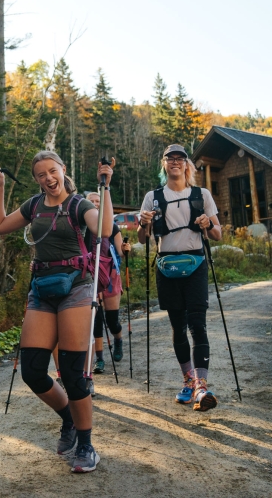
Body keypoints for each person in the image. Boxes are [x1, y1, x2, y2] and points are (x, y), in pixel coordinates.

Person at [0, 152, 114, 473]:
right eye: (41, 174)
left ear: (63, 170)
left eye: (52, 171)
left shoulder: (78, 205)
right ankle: (68, 419)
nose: (48, 178)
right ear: (36, 180)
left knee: (73, 374)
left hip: (76, 287)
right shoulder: (34, 206)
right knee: (32, 370)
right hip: (42, 289)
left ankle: (86, 445)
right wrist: (0, 188)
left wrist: (105, 187)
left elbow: (103, 229)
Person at [136, 144, 223, 411]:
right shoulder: (152, 197)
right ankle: (189, 381)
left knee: (197, 325)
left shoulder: (201, 194)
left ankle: (201, 387)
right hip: (167, 267)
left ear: (187, 165)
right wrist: (143, 222)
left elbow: (218, 234)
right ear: (164, 164)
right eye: (170, 158)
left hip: (195, 263)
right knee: (178, 327)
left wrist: (209, 223)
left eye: (180, 159)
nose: (175, 162)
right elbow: (142, 239)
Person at [84, 191, 124, 375]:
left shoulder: (112, 227)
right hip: (90, 275)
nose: (95, 203)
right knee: (96, 319)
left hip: (111, 274)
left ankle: (118, 339)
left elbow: (120, 251)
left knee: (112, 320)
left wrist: (126, 250)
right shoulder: (83, 227)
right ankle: (99, 359)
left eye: (98, 200)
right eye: (91, 201)